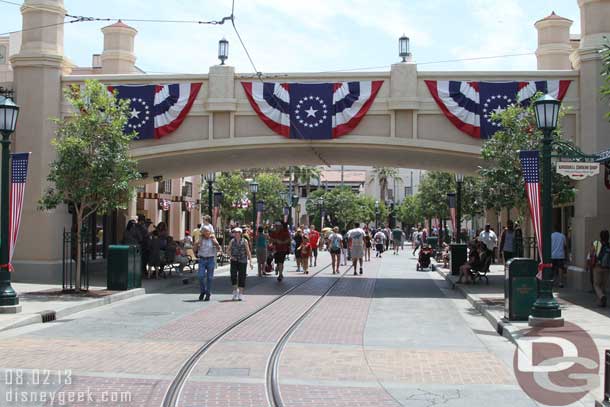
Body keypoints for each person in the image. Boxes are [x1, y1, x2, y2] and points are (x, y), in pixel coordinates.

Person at [194, 225, 221, 301]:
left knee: (210, 278)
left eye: (208, 231)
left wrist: (216, 243)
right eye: (205, 231)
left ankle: (208, 293)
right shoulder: (200, 239)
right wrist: (196, 244)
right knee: (200, 276)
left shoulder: (212, 238)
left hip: (210, 259)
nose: (207, 233)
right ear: (202, 232)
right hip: (202, 259)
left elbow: (219, 248)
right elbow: (194, 250)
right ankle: (203, 291)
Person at [228, 227, 253, 301]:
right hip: (234, 260)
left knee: (242, 276)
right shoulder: (232, 241)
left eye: (237, 232)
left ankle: (241, 293)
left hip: (242, 260)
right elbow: (228, 250)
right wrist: (231, 257)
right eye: (235, 232)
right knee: (233, 275)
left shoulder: (244, 241)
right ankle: (235, 291)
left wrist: (250, 262)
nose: (236, 234)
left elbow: (248, 251)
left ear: (240, 233)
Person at [590, 230, 610, 307]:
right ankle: (601, 302)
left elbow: (591, 253)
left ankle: (602, 297)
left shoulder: (596, 243)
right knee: (603, 285)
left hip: (598, 267)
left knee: (596, 285)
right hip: (607, 267)